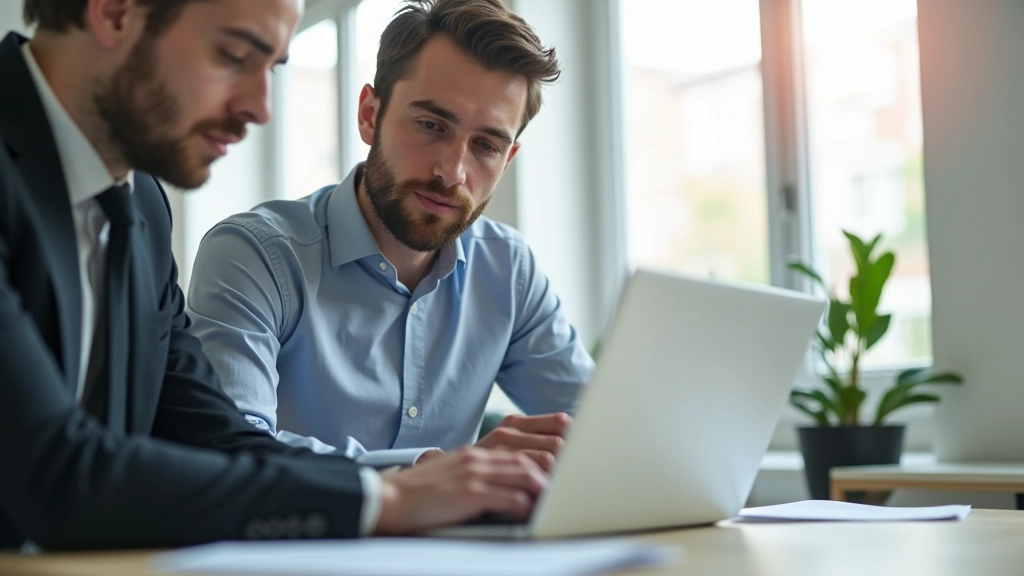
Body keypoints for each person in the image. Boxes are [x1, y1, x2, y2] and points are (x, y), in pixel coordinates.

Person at [0, 0, 546, 551]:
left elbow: (217, 440)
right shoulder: (234, 241)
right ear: (116, 13)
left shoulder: (138, 203)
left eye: (273, 69)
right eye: (234, 55)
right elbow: (54, 473)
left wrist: (417, 488)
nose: (262, 108)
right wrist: (388, 501)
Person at [186, 0, 594, 472]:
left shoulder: (508, 269)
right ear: (368, 115)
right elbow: (232, 452)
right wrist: (432, 475)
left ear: (508, 159)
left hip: (464, 547)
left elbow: (600, 429)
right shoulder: (254, 256)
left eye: (486, 145)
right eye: (430, 125)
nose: (452, 172)